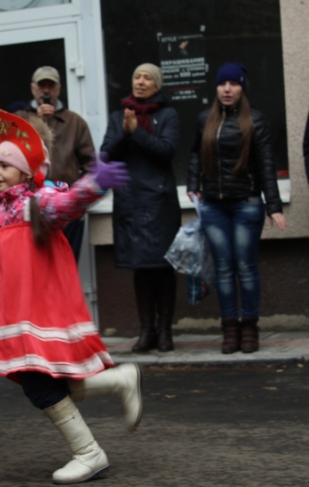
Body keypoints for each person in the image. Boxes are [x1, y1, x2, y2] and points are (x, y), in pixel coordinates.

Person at [0, 107, 142, 484]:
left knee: (38, 385)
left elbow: (67, 204)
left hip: (40, 313)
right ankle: (119, 382)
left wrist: (93, 185)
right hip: (22, 312)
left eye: (5, 165)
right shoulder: (0, 212)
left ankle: (89, 453)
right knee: (47, 382)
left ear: (25, 171)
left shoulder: (36, 202)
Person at [187, 62, 287, 354]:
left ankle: (250, 328)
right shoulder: (205, 119)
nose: (227, 89)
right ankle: (229, 328)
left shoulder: (255, 120)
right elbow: (194, 153)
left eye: (233, 84)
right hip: (214, 206)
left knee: (245, 267)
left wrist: (275, 206)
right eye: (222, 84)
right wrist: (193, 182)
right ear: (216, 88)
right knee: (223, 268)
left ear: (242, 88)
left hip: (247, 204)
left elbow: (267, 164)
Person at [100, 63, 181, 353]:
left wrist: (137, 133)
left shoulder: (168, 115)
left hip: (159, 203)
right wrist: (124, 131)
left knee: (162, 267)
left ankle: (165, 332)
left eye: (148, 78)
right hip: (130, 203)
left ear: (157, 86)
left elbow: (167, 152)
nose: (141, 82)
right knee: (141, 269)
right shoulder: (118, 117)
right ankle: (146, 331)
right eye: (137, 76)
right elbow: (106, 155)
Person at [31, 66, 96, 262]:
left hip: (67, 209)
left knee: (67, 266)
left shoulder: (75, 122)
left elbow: (91, 165)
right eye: (42, 85)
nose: (46, 90)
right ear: (33, 88)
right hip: (31, 208)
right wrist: (37, 121)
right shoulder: (22, 119)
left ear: (58, 89)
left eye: (50, 85)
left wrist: (77, 197)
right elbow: (11, 156)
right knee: (38, 268)